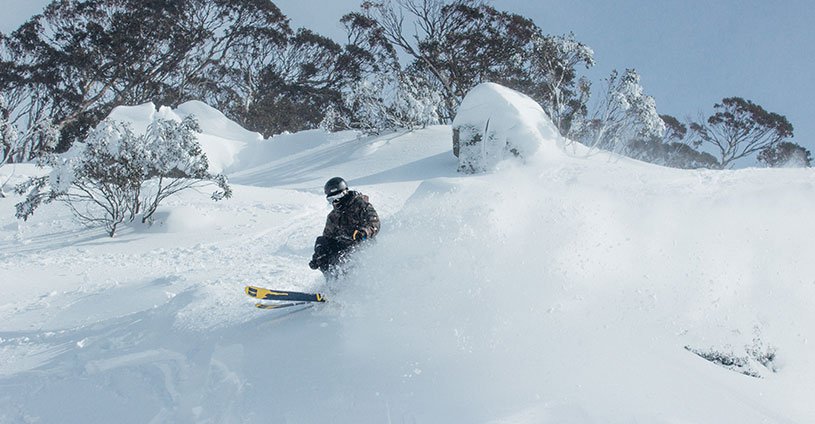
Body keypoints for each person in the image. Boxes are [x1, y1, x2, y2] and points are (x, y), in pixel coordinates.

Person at [309, 177, 380, 278]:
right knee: (322, 243)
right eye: (331, 199)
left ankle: (353, 284)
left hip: (362, 246)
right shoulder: (333, 216)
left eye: (338, 196)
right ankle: (333, 286)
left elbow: (374, 223)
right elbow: (327, 237)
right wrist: (319, 256)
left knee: (346, 259)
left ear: (345, 193)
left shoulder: (360, 205)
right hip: (344, 248)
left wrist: (364, 232)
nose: (335, 201)